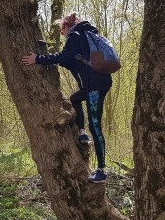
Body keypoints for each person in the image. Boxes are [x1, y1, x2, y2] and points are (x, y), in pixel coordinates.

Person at [21, 12, 113, 183]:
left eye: (61, 30)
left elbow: (64, 56)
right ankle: (82, 133)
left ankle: (101, 171)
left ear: (66, 27)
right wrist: (51, 55)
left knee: (95, 124)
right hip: (99, 82)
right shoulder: (87, 35)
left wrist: (38, 58)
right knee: (75, 99)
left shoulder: (75, 35)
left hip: (94, 86)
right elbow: (70, 60)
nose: (61, 33)